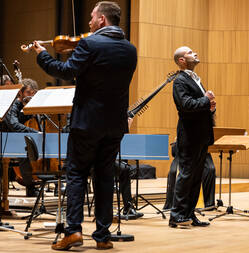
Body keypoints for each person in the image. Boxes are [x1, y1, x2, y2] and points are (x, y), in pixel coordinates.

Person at [32, 1, 137, 250]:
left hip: (87, 122)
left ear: (102, 20)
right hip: (115, 125)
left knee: (77, 174)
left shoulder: (90, 43)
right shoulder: (130, 49)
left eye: (92, 17)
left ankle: (74, 232)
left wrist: (41, 55)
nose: (89, 22)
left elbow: (65, 71)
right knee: (104, 177)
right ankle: (102, 236)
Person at [169, 46, 215, 228]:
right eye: (190, 52)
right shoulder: (179, 81)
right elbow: (186, 105)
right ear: (182, 60)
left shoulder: (194, 79)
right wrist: (206, 99)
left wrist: (211, 106)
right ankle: (176, 215)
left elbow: (199, 105)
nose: (195, 53)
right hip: (189, 136)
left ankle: (189, 214)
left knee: (196, 177)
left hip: (201, 135)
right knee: (186, 175)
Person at [3, 78, 39, 197]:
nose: (31, 96)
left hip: (10, 139)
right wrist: (34, 132)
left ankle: (32, 185)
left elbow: (18, 121)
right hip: (4, 139)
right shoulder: (12, 104)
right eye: (28, 93)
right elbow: (14, 125)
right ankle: (30, 187)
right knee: (23, 153)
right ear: (21, 93)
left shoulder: (21, 105)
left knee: (25, 150)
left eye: (33, 93)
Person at [164, 141, 216, 210]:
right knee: (174, 171)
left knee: (210, 169)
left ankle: (208, 202)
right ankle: (176, 203)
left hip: (201, 153)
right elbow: (174, 153)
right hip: (184, 153)